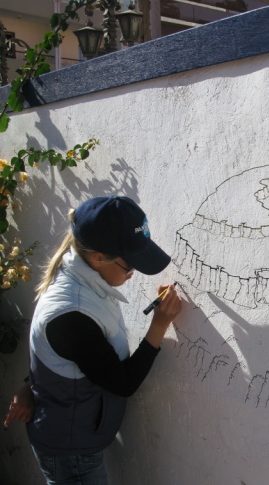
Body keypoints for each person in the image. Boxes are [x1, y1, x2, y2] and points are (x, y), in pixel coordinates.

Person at [4, 195, 182, 484]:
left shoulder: (81, 278)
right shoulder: (72, 311)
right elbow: (123, 382)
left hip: (75, 437)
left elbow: (63, 352)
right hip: (70, 453)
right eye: (129, 266)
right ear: (97, 258)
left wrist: (29, 386)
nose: (133, 273)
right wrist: (159, 325)